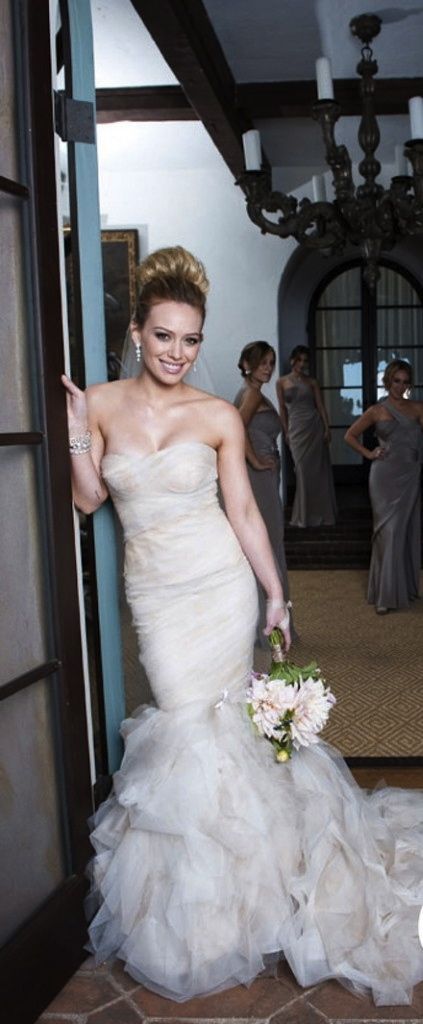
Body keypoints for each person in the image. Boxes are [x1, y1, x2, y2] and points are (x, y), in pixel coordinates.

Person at [62, 248, 423, 1007]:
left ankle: (233, 909)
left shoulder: (218, 414)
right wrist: (72, 430)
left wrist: (274, 597)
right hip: (157, 597)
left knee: (213, 731)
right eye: (163, 336)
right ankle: (206, 905)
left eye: (190, 340)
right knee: (180, 724)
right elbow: (91, 500)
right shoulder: (96, 403)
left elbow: (244, 512)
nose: (175, 352)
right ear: (136, 332)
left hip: (218, 587)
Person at [344, 359, 423, 614]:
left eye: (405, 381)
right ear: (388, 381)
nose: (400, 386)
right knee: (387, 533)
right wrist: (369, 454)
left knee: (405, 531)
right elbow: (349, 435)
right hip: (384, 477)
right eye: (396, 381)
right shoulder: (376, 410)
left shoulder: (418, 408)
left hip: (409, 476)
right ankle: (384, 595)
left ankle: (404, 589)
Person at [234, 341, 291, 645]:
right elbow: (235, 427)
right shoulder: (252, 394)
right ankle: (268, 625)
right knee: (268, 544)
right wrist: (255, 459)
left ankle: (269, 619)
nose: (268, 368)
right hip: (259, 477)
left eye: (271, 362)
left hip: (264, 476)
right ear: (247, 363)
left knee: (267, 542)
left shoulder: (252, 392)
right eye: (262, 362)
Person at [277, 345, 336, 527]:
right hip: (296, 429)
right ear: (292, 360)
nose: (302, 364)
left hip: (313, 427)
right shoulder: (281, 382)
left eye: (306, 361)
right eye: (299, 360)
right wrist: (286, 432)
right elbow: (282, 410)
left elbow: (320, 406)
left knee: (316, 473)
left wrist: (327, 428)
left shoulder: (312, 382)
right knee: (301, 471)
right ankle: (302, 516)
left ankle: (320, 515)